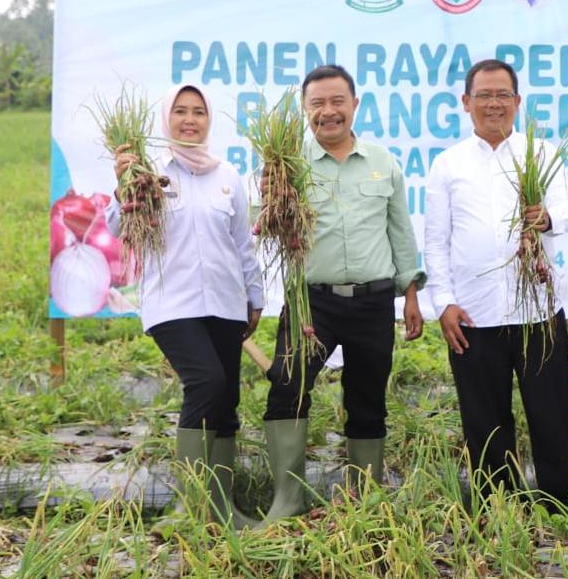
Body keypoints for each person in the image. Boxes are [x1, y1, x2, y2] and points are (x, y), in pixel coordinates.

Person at [260, 64, 426, 523]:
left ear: (355, 105)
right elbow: (264, 226)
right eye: (318, 104)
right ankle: (286, 501)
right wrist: (271, 198)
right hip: (312, 303)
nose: (328, 112)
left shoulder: (382, 162)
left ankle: (364, 502)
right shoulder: (287, 167)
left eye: (338, 102)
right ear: (305, 110)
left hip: (374, 301)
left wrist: (410, 292)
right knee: (287, 388)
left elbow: (401, 233)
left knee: (367, 396)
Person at [424, 59, 568, 508]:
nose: (494, 104)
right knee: (485, 422)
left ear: (517, 102)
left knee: (553, 417)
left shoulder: (542, 154)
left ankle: (564, 512)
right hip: (473, 315)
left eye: (503, 96)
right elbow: (436, 243)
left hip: (538, 314)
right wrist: (444, 303)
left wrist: (546, 219)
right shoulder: (447, 164)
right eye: (484, 95)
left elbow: (567, 211)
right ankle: (499, 513)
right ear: (466, 102)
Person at [111, 84, 264, 527]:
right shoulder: (148, 171)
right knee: (207, 382)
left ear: (209, 120)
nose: (190, 119)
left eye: (199, 112)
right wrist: (121, 181)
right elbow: (117, 222)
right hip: (172, 303)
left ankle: (223, 507)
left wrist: (254, 297)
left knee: (227, 399)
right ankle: (190, 503)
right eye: (181, 111)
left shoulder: (227, 177)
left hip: (225, 301)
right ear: (168, 119)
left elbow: (242, 244)